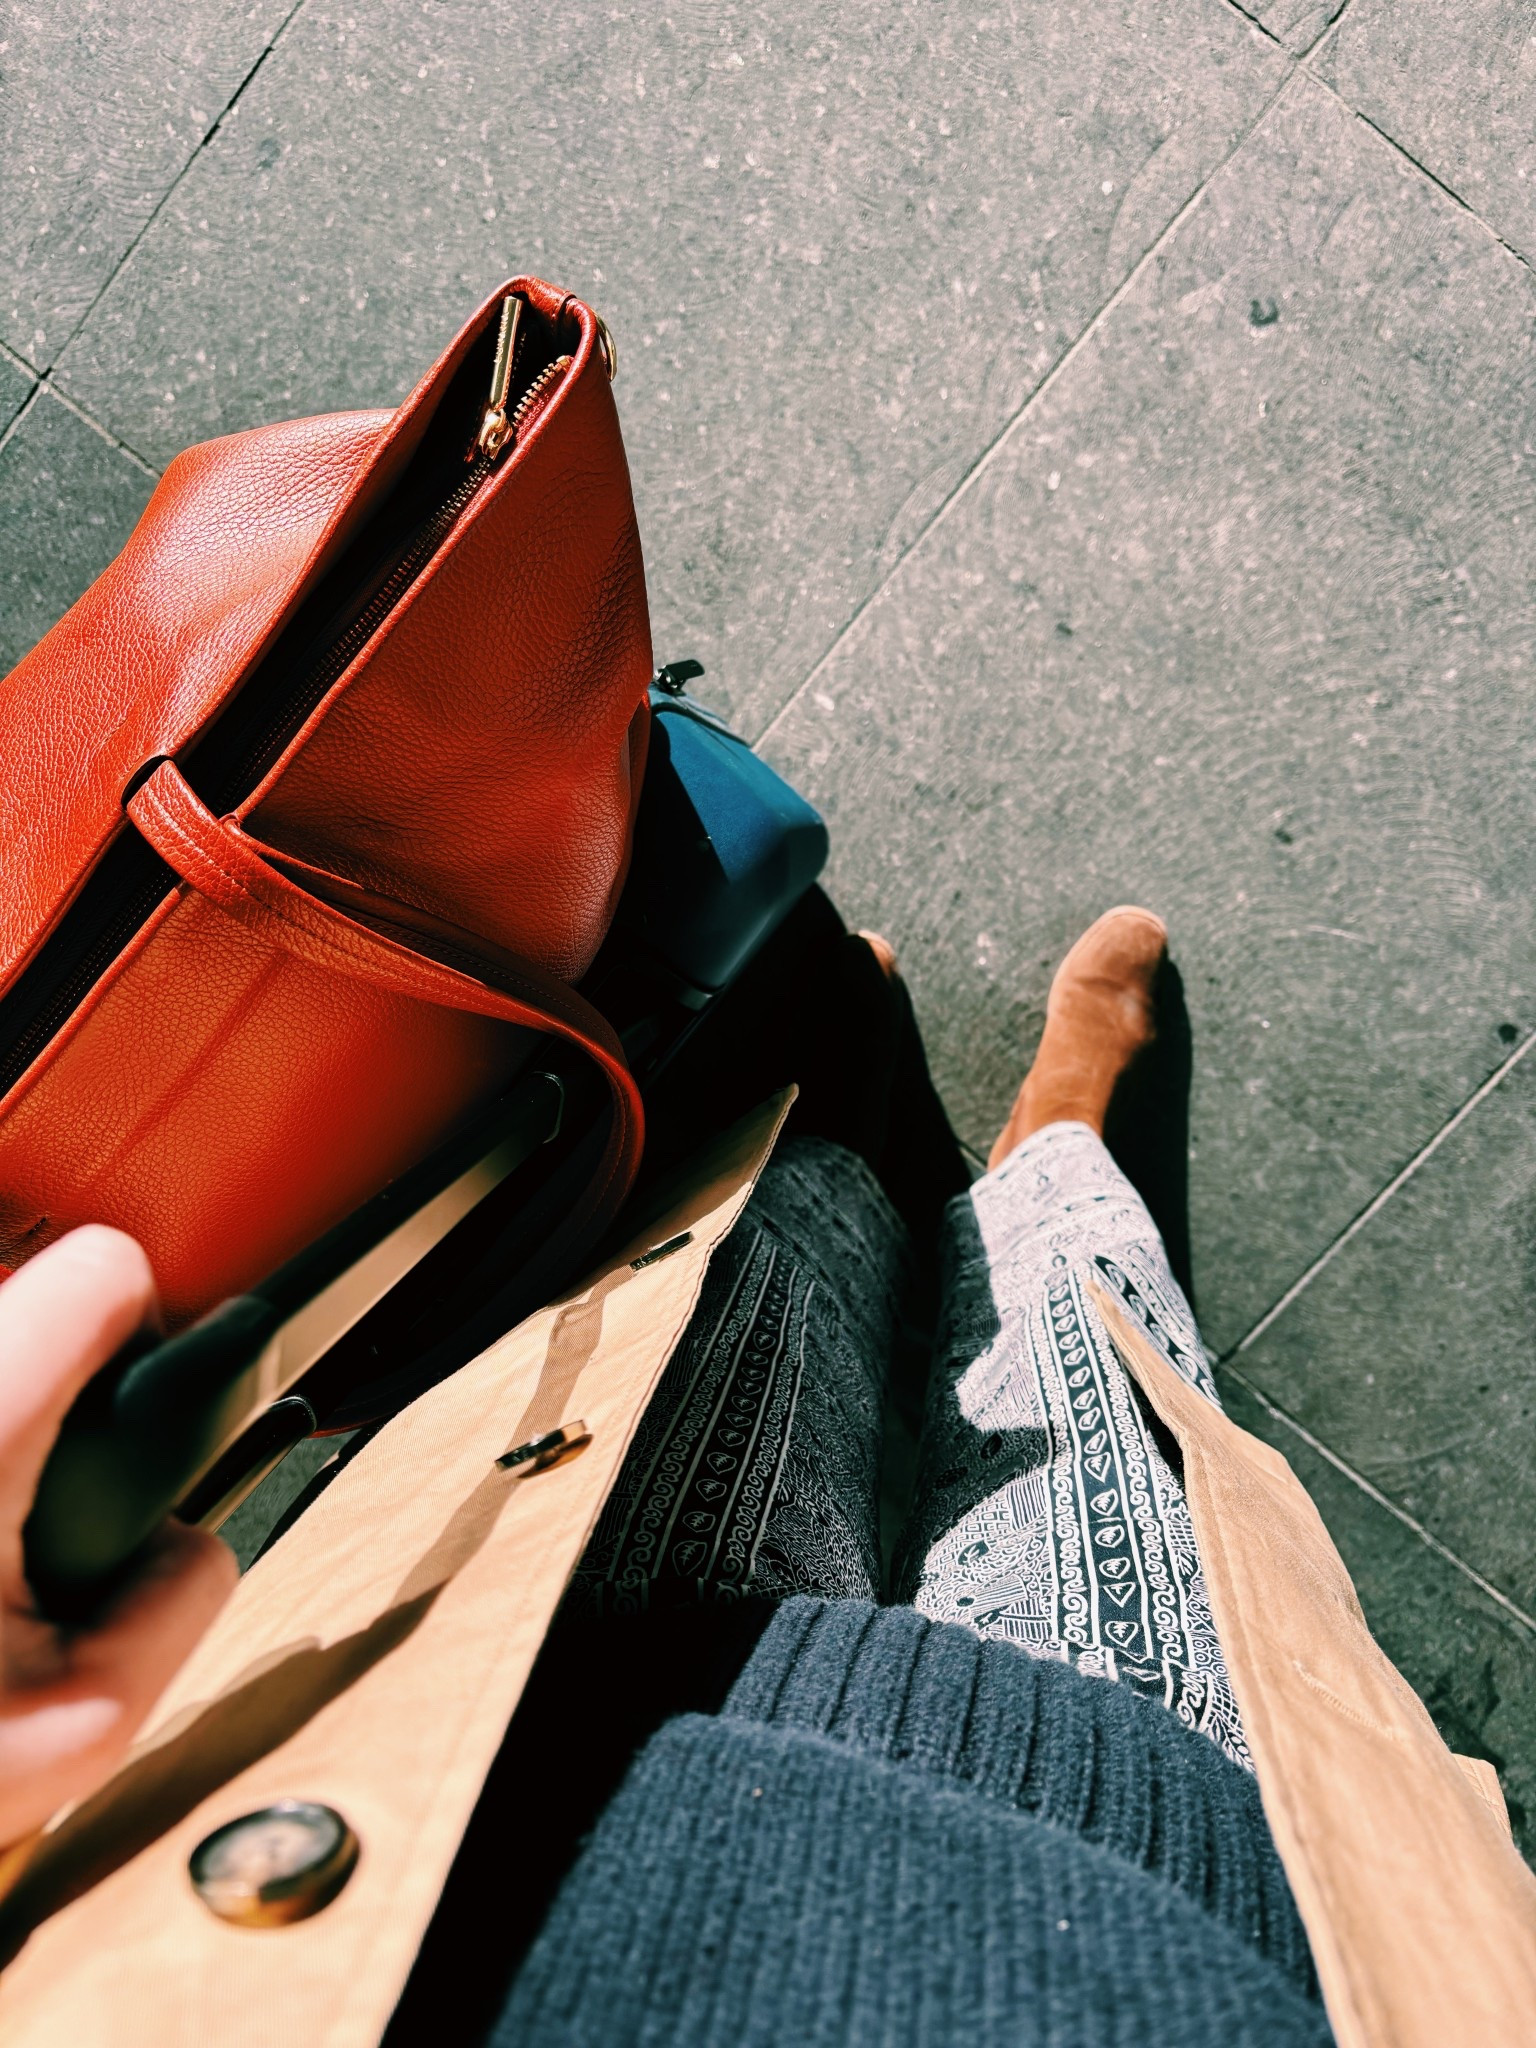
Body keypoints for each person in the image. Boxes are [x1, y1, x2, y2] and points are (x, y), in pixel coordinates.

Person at [0, 912, 1529, 2046]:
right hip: (1180, 1871)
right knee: (1091, 1413)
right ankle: (1049, 1179)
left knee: (744, 1300)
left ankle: (866, 1157)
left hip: (516, 1758)